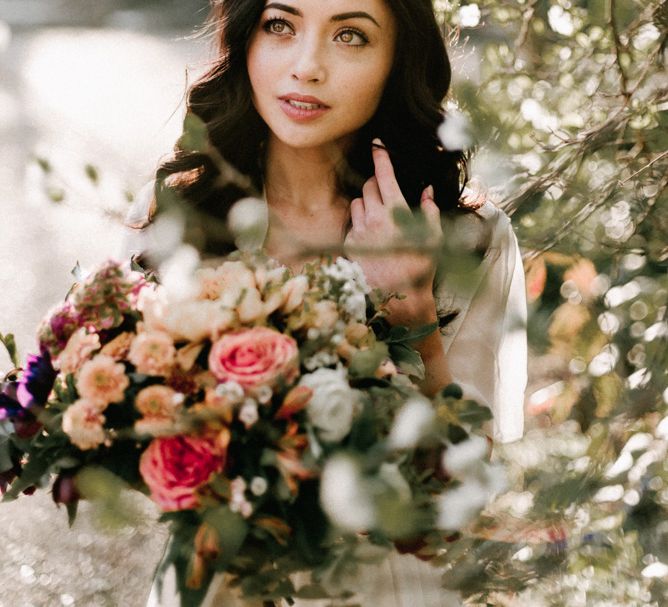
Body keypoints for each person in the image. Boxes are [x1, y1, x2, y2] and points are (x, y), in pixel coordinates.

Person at [130, 0, 528, 605]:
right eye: (281, 26)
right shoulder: (182, 214)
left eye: (349, 35)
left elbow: (463, 489)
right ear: (247, 41)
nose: (307, 66)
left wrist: (412, 310)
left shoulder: (466, 236)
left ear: (398, 58)